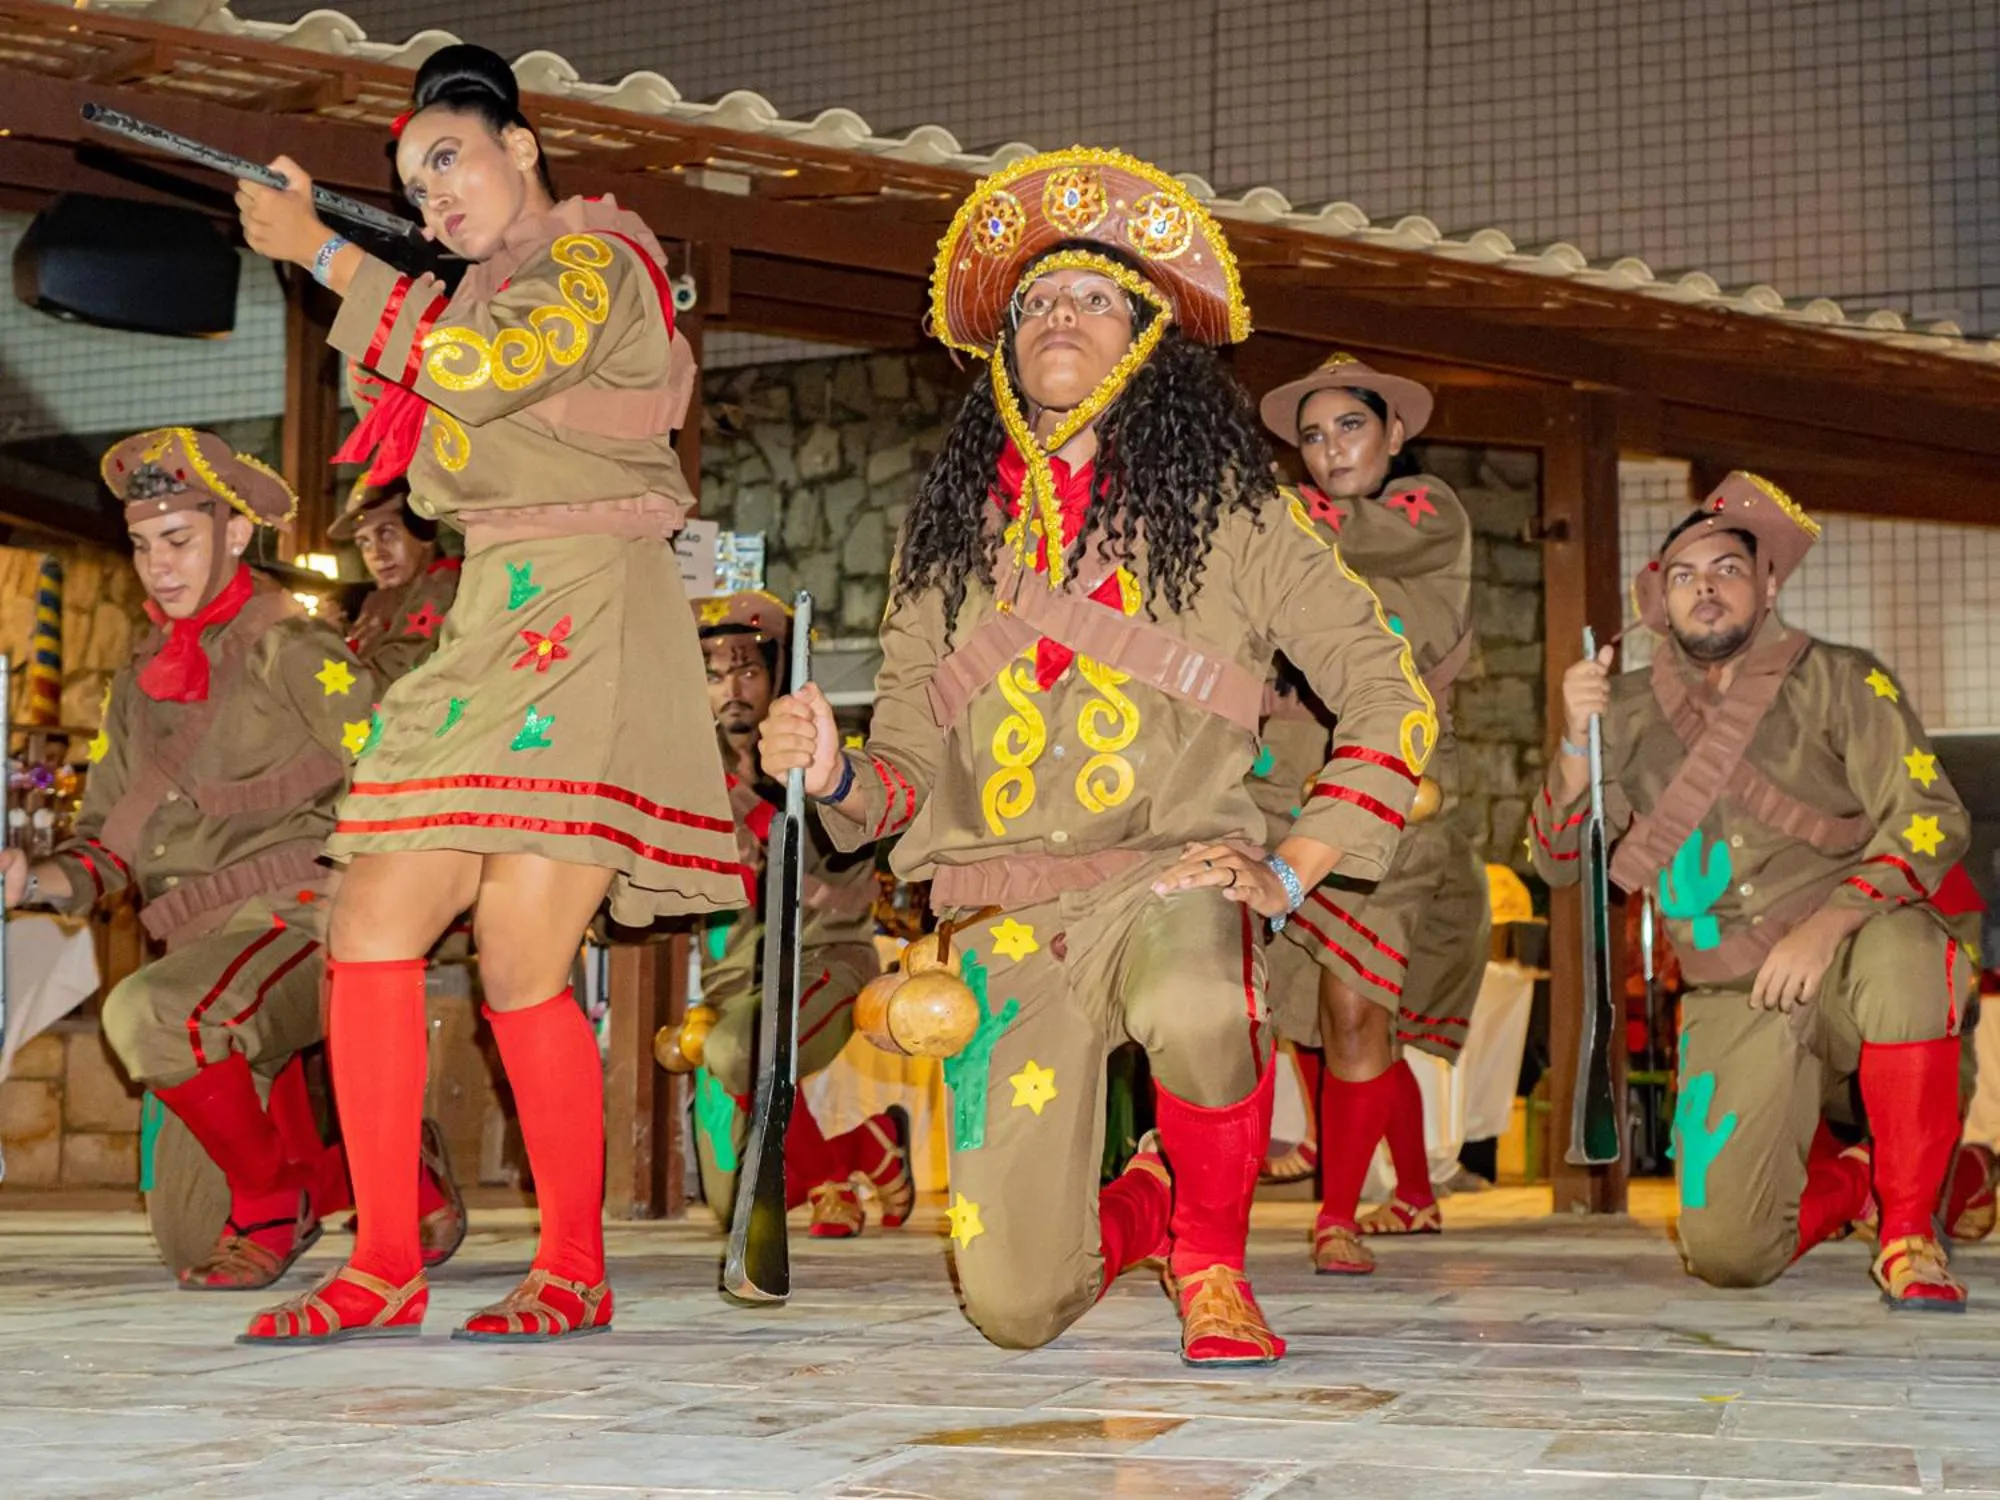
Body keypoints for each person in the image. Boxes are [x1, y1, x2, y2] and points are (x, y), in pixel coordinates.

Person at [759, 147, 1436, 1365]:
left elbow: (1387, 696)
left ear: (1145, 341)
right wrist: (830, 773)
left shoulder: (1240, 518)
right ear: (1004, 348)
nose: (1056, 316)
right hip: (1002, 912)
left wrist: (1292, 867)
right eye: (1033, 302)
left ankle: (1212, 1263)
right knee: (1016, 1310)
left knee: (1194, 1001)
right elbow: (899, 767)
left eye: (1091, 297)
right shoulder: (944, 547)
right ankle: (1161, 1194)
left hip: (1173, 879)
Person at [232, 43, 746, 1343]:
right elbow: (427, 399)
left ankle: (573, 1265)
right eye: (413, 187)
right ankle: (382, 1262)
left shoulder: (595, 259)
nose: (433, 198)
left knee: (520, 954)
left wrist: (324, 252)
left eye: (449, 160)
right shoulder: (474, 292)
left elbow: (475, 370)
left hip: (593, 602)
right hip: (491, 613)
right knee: (371, 917)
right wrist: (359, 263)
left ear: (522, 146)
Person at [0, 427, 458, 1290]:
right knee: (188, 1237)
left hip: (303, 922)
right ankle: (383, 1172)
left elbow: (396, 771)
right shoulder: (138, 683)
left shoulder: (295, 648)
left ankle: (275, 1198)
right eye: (142, 545)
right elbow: (106, 847)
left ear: (236, 534)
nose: (158, 567)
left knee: (149, 1014)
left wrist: (387, 919)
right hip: (205, 952)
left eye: (178, 540)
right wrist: (33, 882)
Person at [1537, 473, 1971, 1308]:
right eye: (1684, 575)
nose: (1705, 588)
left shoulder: (1843, 680)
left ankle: (1910, 1233)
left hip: (1850, 961)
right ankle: (1865, 1179)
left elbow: (1930, 817)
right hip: (1733, 990)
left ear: (1768, 586)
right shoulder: (1622, 713)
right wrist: (1572, 748)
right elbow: (1560, 862)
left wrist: (1830, 924)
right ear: (1662, 601)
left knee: (1909, 952)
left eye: (1727, 570)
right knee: (1729, 1256)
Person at [1251, 355, 1487, 1275]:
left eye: (1350, 426)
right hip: (1280, 792)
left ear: (1394, 433)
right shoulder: (1288, 529)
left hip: (1396, 791)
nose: (1330, 449)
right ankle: (1415, 1195)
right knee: (1318, 1011)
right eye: (1312, 436)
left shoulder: (1426, 513)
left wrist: (1240, 511)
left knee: (1354, 1000)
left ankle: (1336, 1216)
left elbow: (1350, 540)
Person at [678, 591, 913, 1237]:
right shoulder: (689, 768)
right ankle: (861, 1150)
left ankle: (837, 1170)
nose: (731, 690)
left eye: (747, 670)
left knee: (739, 1051)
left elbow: (860, 850)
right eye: (713, 675)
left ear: (778, 670)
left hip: (823, 960)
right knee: (736, 1206)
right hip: (733, 986)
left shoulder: (823, 754)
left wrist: (793, 799)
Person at [329, 475, 460, 684]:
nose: (376, 554)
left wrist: (319, 638)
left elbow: (387, 681)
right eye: (364, 543)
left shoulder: (442, 585)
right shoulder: (381, 601)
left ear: (423, 531)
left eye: (387, 534)